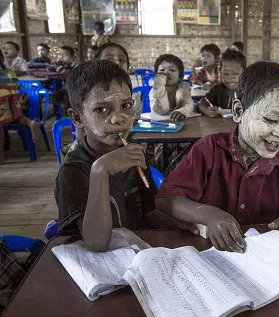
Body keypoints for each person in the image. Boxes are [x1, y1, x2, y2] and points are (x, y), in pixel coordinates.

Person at [156, 61, 279, 252]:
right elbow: (167, 199)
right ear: (239, 111)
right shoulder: (209, 150)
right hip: (211, 253)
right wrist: (209, 215)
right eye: (271, 120)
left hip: (262, 258)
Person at [54, 60, 187, 252]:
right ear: (77, 118)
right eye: (101, 109)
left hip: (138, 254)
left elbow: (149, 212)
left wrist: (176, 223)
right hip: (99, 268)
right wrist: (100, 171)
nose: (119, 118)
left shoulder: (134, 155)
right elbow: (97, 243)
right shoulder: (72, 172)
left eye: (126, 105)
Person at [95, 42, 142, 122]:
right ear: (96, 63)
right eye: (109, 59)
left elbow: (135, 118)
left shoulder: (132, 94)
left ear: (128, 66)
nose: (117, 63)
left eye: (121, 60)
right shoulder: (90, 92)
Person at [197, 49, 245, 118]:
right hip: (220, 127)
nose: (230, 77)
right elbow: (200, 104)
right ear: (220, 72)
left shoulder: (249, 91)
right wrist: (207, 111)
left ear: (244, 73)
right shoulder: (217, 90)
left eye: (235, 73)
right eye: (226, 73)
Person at [150, 54, 197, 121]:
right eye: (162, 70)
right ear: (156, 75)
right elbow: (162, 110)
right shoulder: (154, 92)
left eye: (172, 70)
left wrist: (182, 111)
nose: (166, 73)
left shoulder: (184, 87)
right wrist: (159, 83)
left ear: (180, 76)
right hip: (160, 125)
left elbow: (189, 104)